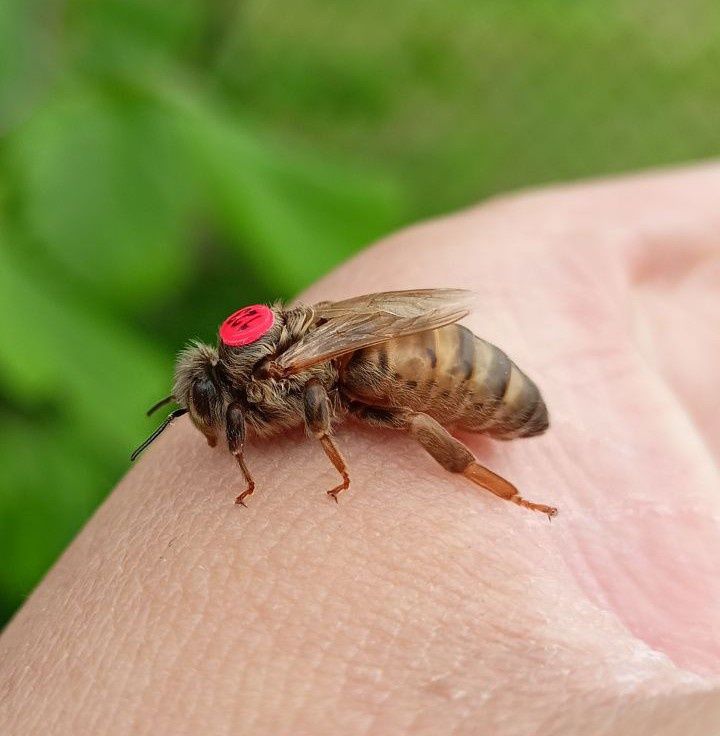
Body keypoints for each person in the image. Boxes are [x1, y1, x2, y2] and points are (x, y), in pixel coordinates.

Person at [1, 164, 719, 736]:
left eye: (218, 420)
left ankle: (511, 495)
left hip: (435, 369)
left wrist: (332, 460)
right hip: (410, 343)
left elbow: (317, 409)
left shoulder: (286, 375)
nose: (222, 437)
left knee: (401, 415)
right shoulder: (278, 346)